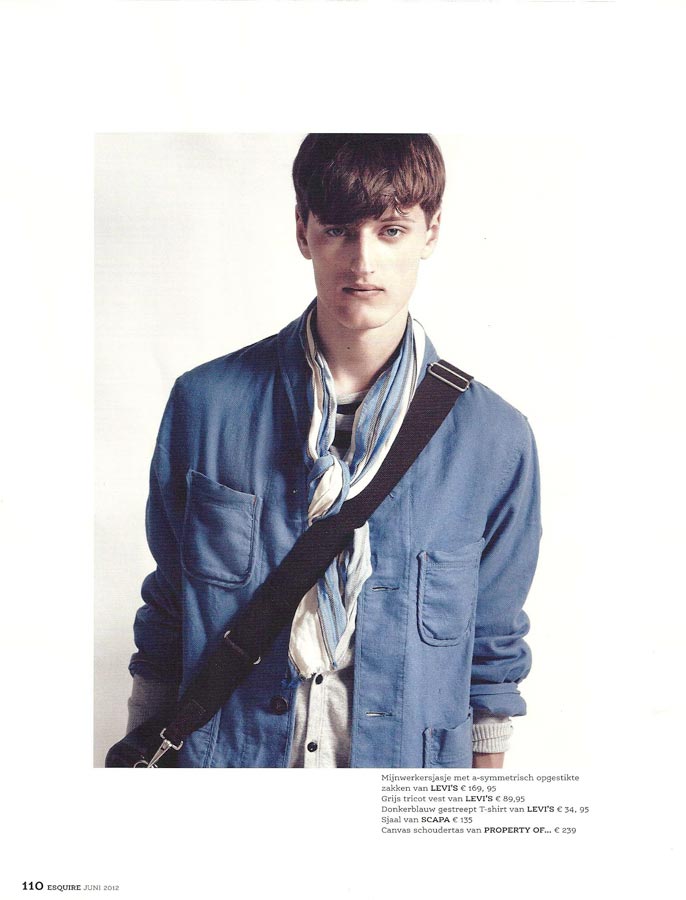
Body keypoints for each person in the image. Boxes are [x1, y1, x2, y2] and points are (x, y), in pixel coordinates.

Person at [125, 133, 541, 768]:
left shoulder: (493, 437)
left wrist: (479, 801)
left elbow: (493, 644)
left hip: (405, 783)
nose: (363, 261)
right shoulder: (206, 405)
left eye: (392, 231)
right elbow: (169, 609)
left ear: (430, 233)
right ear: (303, 231)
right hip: (231, 768)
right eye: (340, 230)